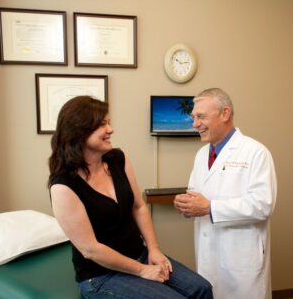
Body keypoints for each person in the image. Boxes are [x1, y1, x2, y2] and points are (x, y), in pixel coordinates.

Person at [48, 95, 213, 299]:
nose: (111, 129)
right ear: (80, 132)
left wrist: (154, 249)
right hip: (101, 275)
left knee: (202, 288)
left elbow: (139, 207)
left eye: (109, 123)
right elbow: (91, 250)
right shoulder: (63, 186)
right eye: (102, 124)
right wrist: (142, 270)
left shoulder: (117, 159)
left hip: (140, 255)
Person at [174, 88, 277, 299]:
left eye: (201, 117)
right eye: (194, 117)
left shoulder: (256, 152)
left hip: (241, 259)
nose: (195, 124)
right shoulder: (202, 154)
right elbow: (196, 193)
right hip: (208, 255)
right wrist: (186, 205)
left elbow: (262, 204)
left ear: (225, 113)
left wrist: (209, 208)